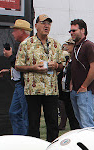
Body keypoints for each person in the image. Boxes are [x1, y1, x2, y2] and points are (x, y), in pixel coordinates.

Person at [15, 14, 65, 142]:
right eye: (43, 23)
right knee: (33, 123)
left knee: (53, 122)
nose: (46, 26)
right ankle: (35, 149)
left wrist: (56, 65)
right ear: (36, 26)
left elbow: (62, 66)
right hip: (33, 89)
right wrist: (33, 68)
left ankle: (52, 148)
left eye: (48, 23)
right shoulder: (26, 44)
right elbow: (18, 66)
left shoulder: (55, 44)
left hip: (51, 89)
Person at [0, 19, 31, 136]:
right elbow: (20, 65)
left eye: (15, 30)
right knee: (15, 113)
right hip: (19, 84)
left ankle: (25, 139)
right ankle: (20, 138)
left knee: (23, 114)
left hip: (23, 85)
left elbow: (24, 65)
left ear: (22, 31)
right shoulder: (23, 45)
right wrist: (10, 71)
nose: (12, 33)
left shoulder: (28, 45)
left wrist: (10, 56)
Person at [68, 19, 94, 129]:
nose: (71, 33)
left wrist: (85, 85)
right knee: (80, 121)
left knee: (87, 123)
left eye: (74, 30)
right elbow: (74, 67)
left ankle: (91, 144)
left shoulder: (89, 46)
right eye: (70, 31)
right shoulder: (75, 47)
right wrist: (72, 83)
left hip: (86, 90)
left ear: (82, 30)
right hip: (76, 89)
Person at [57, 38, 80, 131]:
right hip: (65, 91)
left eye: (70, 44)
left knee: (74, 117)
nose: (67, 47)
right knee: (69, 114)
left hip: (73, 91)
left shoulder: (76, 58)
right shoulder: (69, 59)